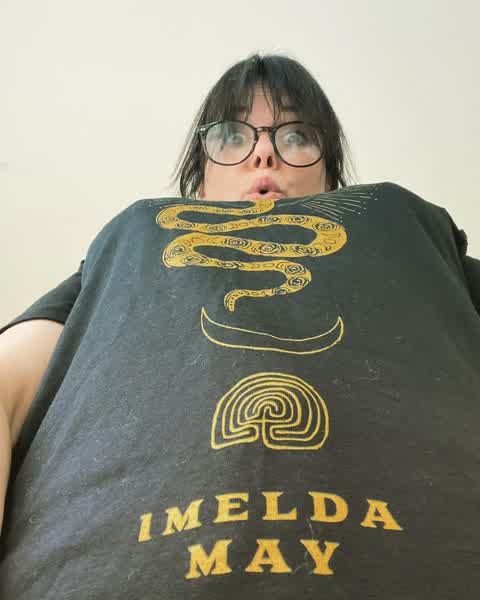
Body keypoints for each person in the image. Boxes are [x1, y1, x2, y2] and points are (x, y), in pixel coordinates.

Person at [0, 51, 479, 599]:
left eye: (297, 135)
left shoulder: (403, 227)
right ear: (200, 179)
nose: (264, 153)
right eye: (232, 135)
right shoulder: (134, 238)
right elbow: (6, 388)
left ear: (331, 176)